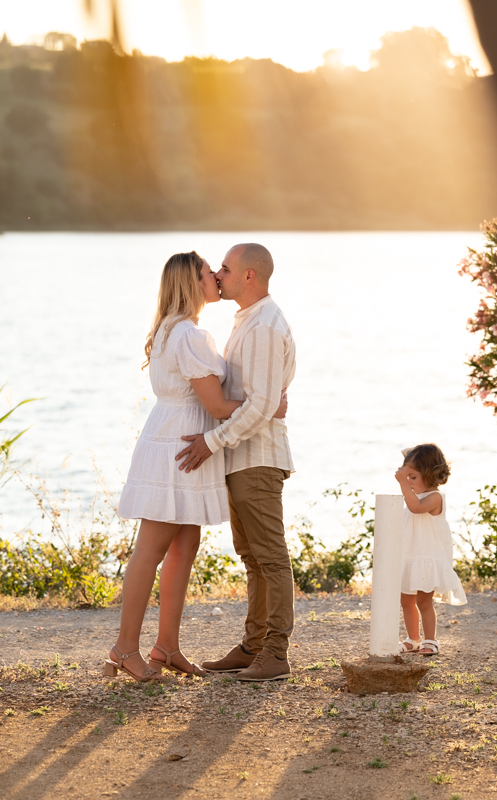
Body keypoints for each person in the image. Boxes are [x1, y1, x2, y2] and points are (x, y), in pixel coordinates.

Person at [106, 251, 287, 683]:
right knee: (150, 549)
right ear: (193, 283)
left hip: (177, 437)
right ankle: (124, 648)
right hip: (185, 443)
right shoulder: (190, 335)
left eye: (220, 270)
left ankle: (167, 646)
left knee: (184, 547)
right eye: (210, 271)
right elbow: (219, 405)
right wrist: (267, 405)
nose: (217, 277)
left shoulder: (175, 329)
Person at [177, 243, 297, 682]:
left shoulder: (264, 325)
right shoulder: (247, 321)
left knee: (269, 557)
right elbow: (261, 398)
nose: (219, 275)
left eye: (225, 269)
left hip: (258, 458)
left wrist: (213, 441)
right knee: (251, 557)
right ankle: (253, 645)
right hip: (242, 457)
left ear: (249, 276)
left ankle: (276, 653)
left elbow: (263, 403)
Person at [393, 443, 466, 656]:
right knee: (405, 599)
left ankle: (430, 639)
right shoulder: (414, 496)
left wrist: (402, 485)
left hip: (427, 559)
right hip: (411, 556)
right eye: (407, 477)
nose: (409, 482)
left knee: (424, 600)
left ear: (430, 475)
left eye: (412, 477)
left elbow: (416, 508)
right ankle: (413, 639)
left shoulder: (435, 498)